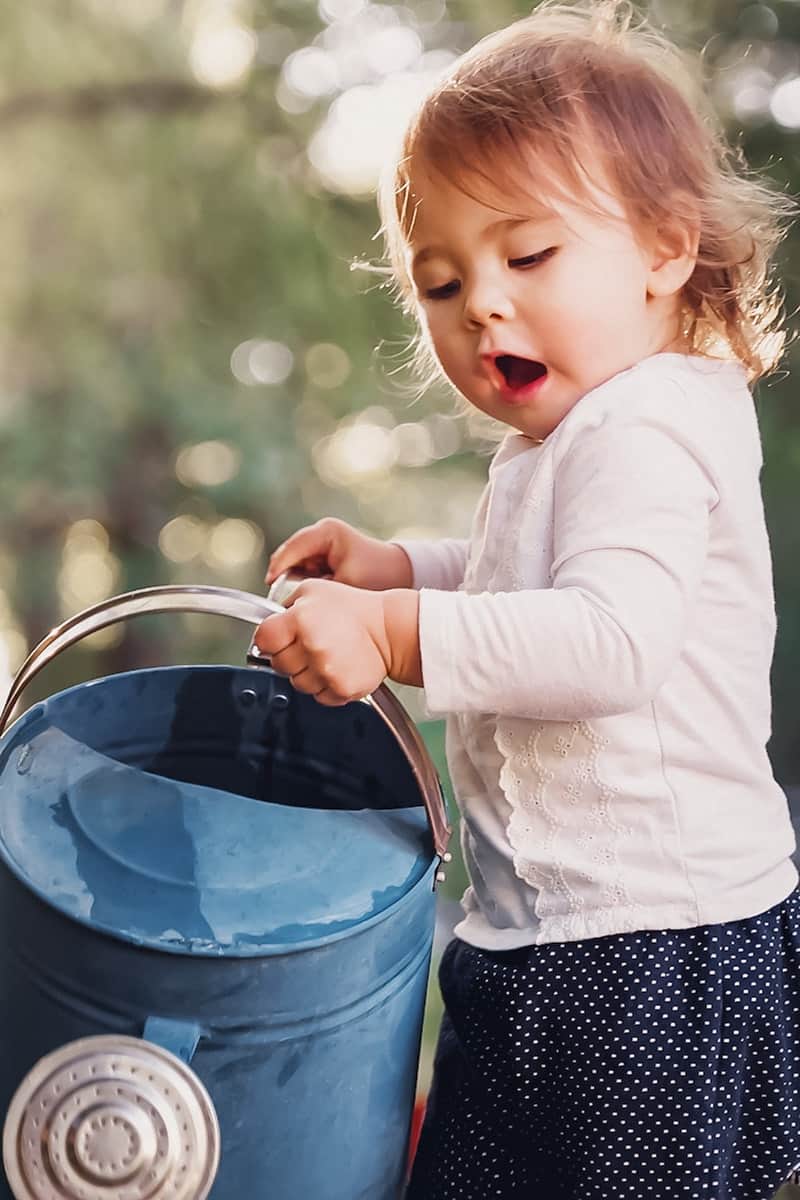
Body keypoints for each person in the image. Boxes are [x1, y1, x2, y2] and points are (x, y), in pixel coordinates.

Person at [253, 2, 800, 1196]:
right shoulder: (559, 446)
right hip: (547, 938)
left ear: (664, 249)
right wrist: (401, 568)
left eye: (528, 255)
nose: (480, 305)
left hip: (658, 947)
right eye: (440, 282)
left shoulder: (647, 426)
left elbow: (607, 642)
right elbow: (521, 592)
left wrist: (395, 632)